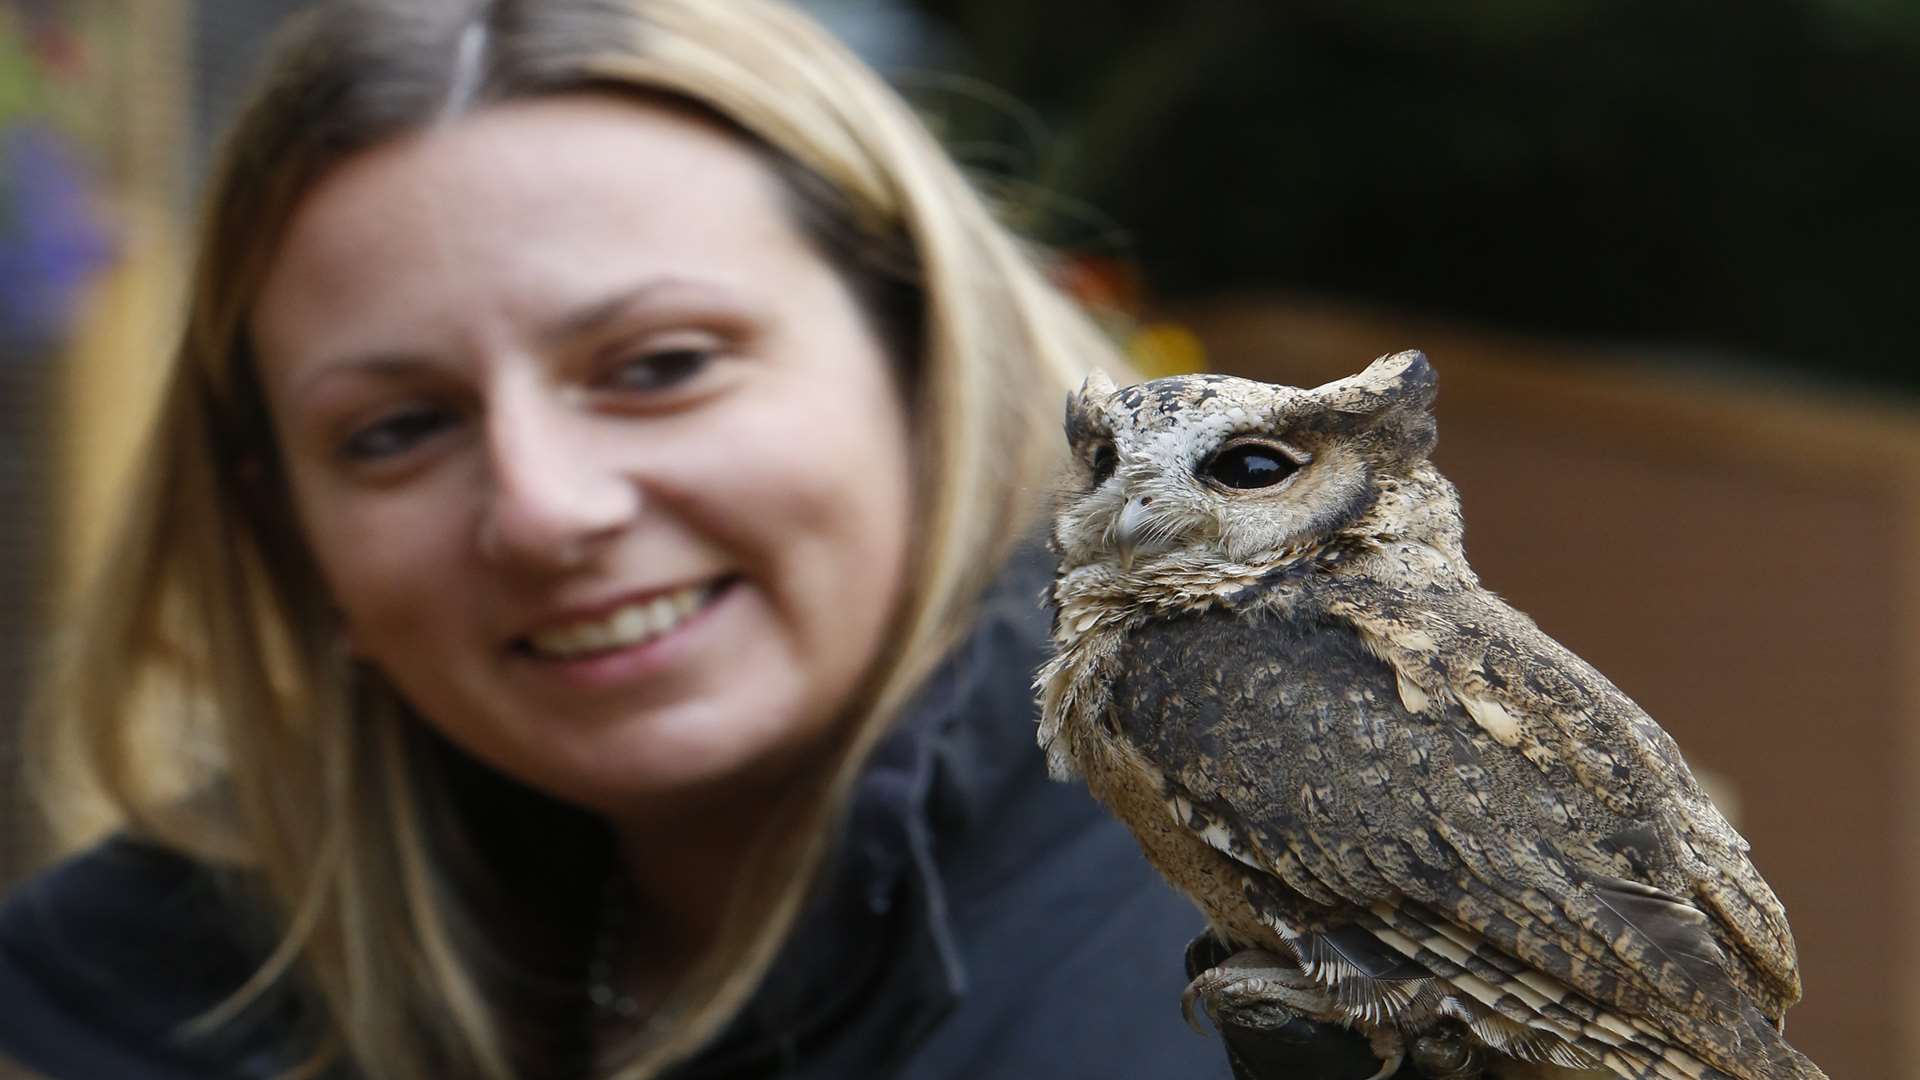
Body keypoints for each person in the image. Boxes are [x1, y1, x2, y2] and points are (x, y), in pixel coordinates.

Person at [0, 1, 1389, 1077]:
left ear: (925, 369)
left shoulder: (1285, 930)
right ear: (287, 532)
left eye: (660, 365)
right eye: (396, 430)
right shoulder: (173, 977)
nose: (546, 507)